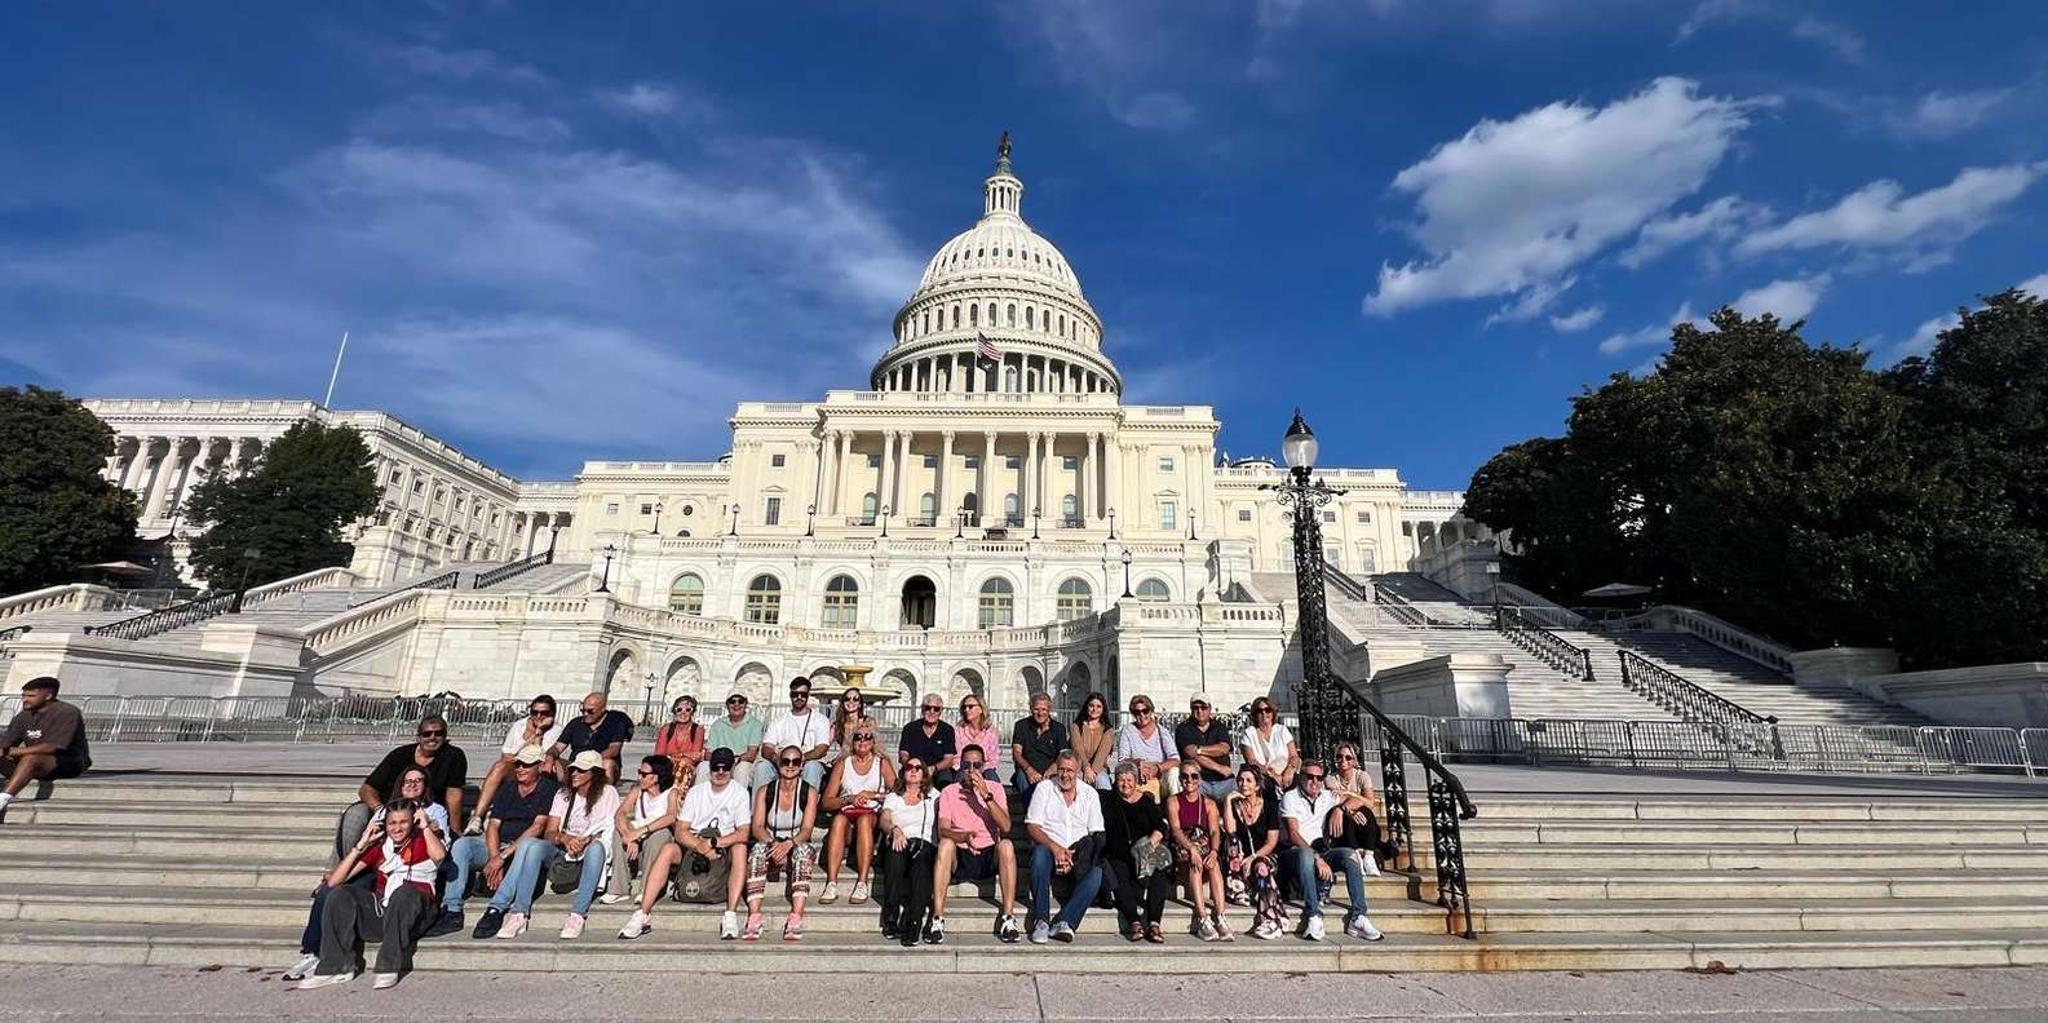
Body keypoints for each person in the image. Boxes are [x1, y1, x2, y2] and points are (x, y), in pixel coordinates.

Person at [286, 766, 451, 979]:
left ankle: (387, 966)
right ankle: (319, 956)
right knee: (332, 893)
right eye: (408, 781)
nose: (397, 827)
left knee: (403, 893)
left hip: (414, 888)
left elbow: (439, 855)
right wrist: (360, 847)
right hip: (380, 874)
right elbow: (342, 873)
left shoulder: (432, 817)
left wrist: (426, 826)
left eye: (418, 780)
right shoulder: (384, 819)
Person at [484, 750, 620, 941]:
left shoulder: (608, 793)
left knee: (597, 847)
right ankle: (519, 913)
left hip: (591, 847)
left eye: (581, 770)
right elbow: (549, 832)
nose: (574, 774)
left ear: (594, 773)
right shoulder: (563, 794)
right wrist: (565, 839)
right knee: (531, 844)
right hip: (562, 848)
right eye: (573, 769)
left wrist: (585, 840)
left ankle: (577, 913)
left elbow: (609, 828)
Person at [618, 747, 751, 940]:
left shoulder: (739, 793)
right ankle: (642, 914)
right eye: (716, 768)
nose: (720, 772)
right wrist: (699, 845)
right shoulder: (696, 793)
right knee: (668, 849)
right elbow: (681, 830)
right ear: (710, 769)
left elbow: (743, 833)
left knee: (740, 849)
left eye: (725, 768)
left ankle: (730, 914)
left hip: (723, 844)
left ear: (732, 769)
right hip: (695, 844)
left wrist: (714, 843)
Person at [431, 744, 557, 940]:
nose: (520, 769)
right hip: (497, 844)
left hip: (523, 846)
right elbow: (493, 825)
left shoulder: (548, 789)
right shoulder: (508, 788)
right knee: (462, 846)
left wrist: (503, 856)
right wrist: (494, 856)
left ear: (540, 766)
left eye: (526, 764)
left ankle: (496, 908)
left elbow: (537, 827)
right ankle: (452, 909)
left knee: (525, 847)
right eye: (518, 764)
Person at [334, 716, 467, 863]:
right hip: (389, 807)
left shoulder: (454, 756)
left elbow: (454, 794)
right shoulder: (399, 755)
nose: (432, 737)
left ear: (445, 735)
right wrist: (382, 810)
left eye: (438, 733)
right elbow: (367, 789)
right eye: (427, 734)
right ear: (418, 737)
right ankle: (343, 865)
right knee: (354, 815)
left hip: (425, 811)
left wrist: (455, 829)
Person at [1280, 759, 1382, 942]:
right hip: (1295, 853)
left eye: (1319, 778)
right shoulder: (1291, 797)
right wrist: (1317, 858)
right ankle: (1313, 914)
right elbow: (1294, 834)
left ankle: (1358, 916)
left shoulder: (1327, 796)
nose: (1315, 781)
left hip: (1321, 850)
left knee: (1350, 855)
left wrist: (1341, 809)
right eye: (1309, 776)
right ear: (1301, 777)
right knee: (1305, 855)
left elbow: (1362, 801)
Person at [931, 744, 1023, 943]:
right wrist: (963, 836)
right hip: (962, 851)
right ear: (959, 767)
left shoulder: (996, 789)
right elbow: (942, 829)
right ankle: (937, 917)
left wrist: (986, 795)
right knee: (945, 844)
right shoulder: (949, 792)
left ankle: (1008, 917)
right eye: (966, 765)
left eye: (977, 765)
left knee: (1007, 845)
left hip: (989, 852)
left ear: (984, 767)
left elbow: (1006, 826)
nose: (971, 770)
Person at [1023, 750, 1105, 944]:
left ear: (1077, 771)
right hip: (1050, 852)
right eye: (1061, 769)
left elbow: (1096, 834)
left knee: (1097, 872)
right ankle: (1041, 921)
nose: (1065, 775)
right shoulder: (1044, 788)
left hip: (1079, 855)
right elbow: (1032, 826)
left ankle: (1065, 921)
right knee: (1040, 853)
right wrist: (1056, 849)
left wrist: (1074, 857)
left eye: (1070, 770)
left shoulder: (1089, 794)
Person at [742, 744, 821, 941]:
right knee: (758, 850)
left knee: (802, 852)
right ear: (778, 764)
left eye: (796, 762)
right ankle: (754, 915)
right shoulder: (765, 791)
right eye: (786, 761)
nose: (790, 766)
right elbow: (758, 827)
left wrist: (788, 844)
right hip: (772, 842)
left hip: (797, 842)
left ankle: (796, 916)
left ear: (802, 765)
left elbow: (807, 829)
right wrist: (775, 844)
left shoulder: (808, 792)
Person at [464, 694, 561, 837]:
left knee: (516, 766)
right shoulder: (519, 725)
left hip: (536, 771)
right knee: (499, 767)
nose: (539, 716)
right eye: (534, 712)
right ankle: (477, 817)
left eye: (544, 713)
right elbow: (505, 756)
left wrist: (539, 733)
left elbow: (538, 758)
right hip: (514, 767)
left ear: (552, 714)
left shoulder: (556, 730)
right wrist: (524, 752)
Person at [819, 725, 894, 905]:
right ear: (851, 742)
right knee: (837, 820)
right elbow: (826, 802)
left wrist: (872, 795)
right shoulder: (842, 764)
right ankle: (831, 882)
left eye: (867, 737)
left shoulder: (881, 763)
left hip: (871, 814)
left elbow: (898, 793)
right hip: (847, 813)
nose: (862, 740)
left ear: (873, 741)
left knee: (864, 819)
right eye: (858, 737)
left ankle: (862, 881)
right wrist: (849, 798)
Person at [1099, 762, 1172, 943]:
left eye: (1129, 780)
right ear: (1115, 781)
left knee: (1159, 873)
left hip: (1144, 853)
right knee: (1119, 876)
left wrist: (1149, 844)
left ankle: (1154, 923)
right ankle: (1134, 922)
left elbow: (1161, 826)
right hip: (1119, 854)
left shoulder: (1146, 800)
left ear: (1136, 781)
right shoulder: (1108, 800)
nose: (1125, 784)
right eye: (1121, 780)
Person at [0, 677, 90, 819]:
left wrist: (14, 751)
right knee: (25, 758)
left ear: (48, 696)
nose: (24, 700)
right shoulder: (23, 716)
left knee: (32, 758)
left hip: (66, 762)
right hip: (31, 763)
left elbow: (53, 746)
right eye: (23, 695)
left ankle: (2, 800)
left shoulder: (67, 712)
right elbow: (7, 743)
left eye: (31, 696)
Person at [600, 755, 680, 906]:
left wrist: (641, 831)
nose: (640, 777)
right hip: (638, 847)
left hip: (657, 846)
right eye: (639, 772)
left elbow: (671, 816)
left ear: (657, 776)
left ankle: (647, 888)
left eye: (644, 774)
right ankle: (619, 888)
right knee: (618, 832)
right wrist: (628, 835)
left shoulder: (671, 793)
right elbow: (620, 814)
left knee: (660, 833)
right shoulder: (637, 791)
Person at [1167, 764, 1233, 941]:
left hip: (1203, 843)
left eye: (1194, 776)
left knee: (1214, 864)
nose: (1189, 780)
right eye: (1185, 776)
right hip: (1184, 844)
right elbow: (1175, 830)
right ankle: (1202, 917)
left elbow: (1214, 831)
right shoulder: (1173, 801)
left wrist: (1214, 851)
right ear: (1180, 779)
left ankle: (1220, 914)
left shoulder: (1208, 803)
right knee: (1194, 863)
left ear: (1200, 779)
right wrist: (1191, 849)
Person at [879, 756, 940, 945]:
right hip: (899, 841)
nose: (913, 770)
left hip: (924, 844)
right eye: (909, 767)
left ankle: (914, 920)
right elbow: (884, 819)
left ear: (924, 773)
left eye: (918, 767)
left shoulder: (934, 796)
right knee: (896, 855)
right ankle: (891, 916)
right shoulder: (893, 797)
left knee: (922, 865)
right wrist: (894, 830)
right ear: (903, 772)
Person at [1224, 764, 1286, 939]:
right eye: (1241, 780)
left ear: (1257, 785)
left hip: (1265, 855)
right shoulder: (1236, 806)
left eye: (1249, 781)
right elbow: (1230, 830)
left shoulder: (1269, 807)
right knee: (1232, 842)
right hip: (1241, 858)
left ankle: (1270, 919)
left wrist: (1253, 857)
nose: (1244, 784)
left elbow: (1271, 842)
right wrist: (1228, 801)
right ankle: (1238, 888)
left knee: (1261, 867)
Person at [1327, 741, 1392, 871]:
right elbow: (1336, 801)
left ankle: (1368, 857)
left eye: (1348, 757)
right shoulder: (1331, 779)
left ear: (1355, 760)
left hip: (1363, 826)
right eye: (1339, 756)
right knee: (1349, 816)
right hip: (1343, 827)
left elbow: (1370, 803)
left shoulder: (1362, 776)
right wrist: (1350, 809)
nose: (1343, 760)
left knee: (1365, 812)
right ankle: (1356, 857)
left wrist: (1349, 794)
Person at [758, 678, 829, 789]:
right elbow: (767, 747)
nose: (799, 697)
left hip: (807, 762)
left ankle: (806, 804)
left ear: (808, 695)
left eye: (803, 694)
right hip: (782, 762)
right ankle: (758, 805)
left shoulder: (820, 720)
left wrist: (800, 759)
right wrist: (777, 759)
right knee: (762, 768)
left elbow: (822, 748)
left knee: (812, 768)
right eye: (795, 694)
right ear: (790, 695)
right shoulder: (779, 720)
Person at [552, 693, 634, 784]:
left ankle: (604, 793)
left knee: (608, 764)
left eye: (590, 711)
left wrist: (590, 760)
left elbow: (614, 749)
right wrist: (550, 756)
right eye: (583, 710)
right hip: (576, 764)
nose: (585, 714)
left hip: (599, 763)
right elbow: (558, 746)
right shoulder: (575, 723)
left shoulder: (615, 723)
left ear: (602, 709)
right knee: (554, 763)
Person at [1112, 695, 1178, 797]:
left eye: (1145, 711)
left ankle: (1177, 808)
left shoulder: (1162, 731)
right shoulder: (1127, 731)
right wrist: (1138, 763)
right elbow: (1122, 759)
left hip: (1161, 776)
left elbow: (1175, 759)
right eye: (1137, 712)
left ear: (1151, 711)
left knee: (1174, 774)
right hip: (1138, 776)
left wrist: (1158, 768)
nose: (1142, 715)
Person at [1175, 697, 1237, 800]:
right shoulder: (1183, 728)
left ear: (1209, 708)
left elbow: (1224, 748)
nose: (1199, 711)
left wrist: (1198, 750)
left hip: (1224, 781)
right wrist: (1219, 768)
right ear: (1191, 709)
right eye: (1196, 708)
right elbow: (1189, 752)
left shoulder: (1219, 727)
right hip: (1199, 781)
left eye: (1203, 707)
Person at [1009, 693, 1069, 796]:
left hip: (1050, 770)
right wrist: (1029, 770)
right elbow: (1016, 753)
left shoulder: (1059, 728)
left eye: (1044, 709)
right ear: (1031, 709)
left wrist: (1052, 770)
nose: (1040, 713)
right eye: (1036, 709)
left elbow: (1063, 755)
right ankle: (1030, 810)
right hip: (1026, 769)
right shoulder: (1021, 726)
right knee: (1022, 778)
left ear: (1049, 710)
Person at [1239, 697, 1300, 792]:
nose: (1264, 714)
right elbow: (1251, 761)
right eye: (1260, 711)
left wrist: (1290, 771)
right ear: (1255, 714)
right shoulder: (1250, 733)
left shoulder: (1282, 730)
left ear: (1273, 713)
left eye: (1268, 710)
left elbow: (1294, 756)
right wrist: (1274, 776)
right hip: (1264, 776)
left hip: (1286, 773)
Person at [898, 693, 959, 788]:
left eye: (936, 709)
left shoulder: (947, 730)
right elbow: (903, 754)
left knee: (946, 779)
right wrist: (914, 767)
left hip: (938, 770)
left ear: (940, 711)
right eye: (928, 708)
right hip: (914, 767)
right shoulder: (910, 728)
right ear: (922, 709)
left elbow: (949, 759)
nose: (932, 711)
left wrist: (932, 769)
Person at [706, 692, 765, 788]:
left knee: (742, 769)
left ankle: (738, 801)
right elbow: (709, 753)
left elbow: (751, 754)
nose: (736, 704)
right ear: (727, 705)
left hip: (742, 762)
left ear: (745, 704)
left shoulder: (755, 724)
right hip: (719, 762)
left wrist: (732, 762)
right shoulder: (717, 724)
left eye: (740, 701)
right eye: (732, 701)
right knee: (704, 767)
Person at [651, 696, 706, 790]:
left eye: (688, 709)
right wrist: (682, 756)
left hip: (688, 767)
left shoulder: (698, 730)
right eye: (679, 709)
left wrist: (674, 756)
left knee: (683, 765)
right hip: (668, 765)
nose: (683, 713)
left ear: (692, 712)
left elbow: (695, 755)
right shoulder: (666, 729)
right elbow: (659, 755)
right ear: (674, 711)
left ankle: (677, 797)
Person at [1069, 692, 1114, 790]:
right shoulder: (1076, 727)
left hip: (1099, 769)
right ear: (1087, 707)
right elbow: (1077, 748)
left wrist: (1092, 772)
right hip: (1079, 768)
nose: (1095, 709)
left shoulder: (1108, 730)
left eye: (1098, 707)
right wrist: (1086, 768)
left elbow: (1102, 753)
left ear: (1103, 709)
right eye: (1091, 706)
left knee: (1103, 784)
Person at [954, 695, 1001, 779]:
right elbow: (956, 757)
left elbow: (993, 759)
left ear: (980, 709)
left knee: (992, 777)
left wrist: (978, 770)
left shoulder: (991, 732)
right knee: (959, 777)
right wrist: (968, 769)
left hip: (984, 770)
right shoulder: (958, 731)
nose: (966, 710)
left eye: (970, 707)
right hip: (964, 769)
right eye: (964, 707)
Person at [827, 688, 876, 763]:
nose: (851, 701)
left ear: (860, 704)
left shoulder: (868, 722)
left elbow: (875, 746)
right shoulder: (837, 725)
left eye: (855, 699)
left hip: (864, 761)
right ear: (843, 703)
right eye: (847, 699)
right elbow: (826, 744)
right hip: (844, 762)